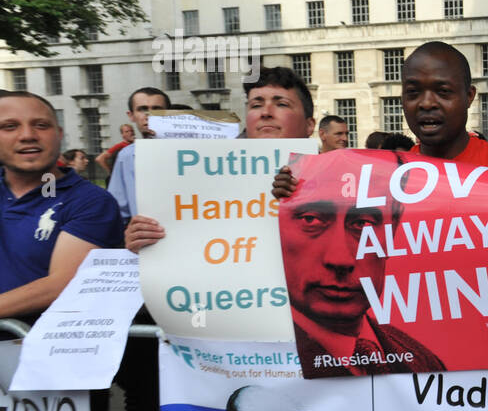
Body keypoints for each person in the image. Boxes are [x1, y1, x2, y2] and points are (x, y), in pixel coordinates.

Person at [272, 43, 488, 202]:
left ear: (468, 96)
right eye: (414, 93)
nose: (427, 103)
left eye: (443, 91)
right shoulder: (383, 180)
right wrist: (296, 194)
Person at [280, 158, 447, 377]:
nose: (340, 259)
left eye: (363, 223)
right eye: (311, 220)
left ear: (394, 226)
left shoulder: (422, 359)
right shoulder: (255, 357)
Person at [125, 68, 316, 253]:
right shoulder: (198, 180)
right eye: (256, 105)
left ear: (309, 125)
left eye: (281, 104)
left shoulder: (340, 182)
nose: (265, 112)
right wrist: (145, 242)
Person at [0, 92, 123, 321]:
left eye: (41, 125)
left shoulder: (90, 202)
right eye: (9, 126)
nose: (27, 135)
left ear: (59, 135)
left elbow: (61, 283)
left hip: (33, 347)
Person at [106, 87, 171, 220]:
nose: (149, 114)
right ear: (131, 116)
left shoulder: (193, 150)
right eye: (142, 109)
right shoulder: (126, 156)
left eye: (157, 109)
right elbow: (118, 210)